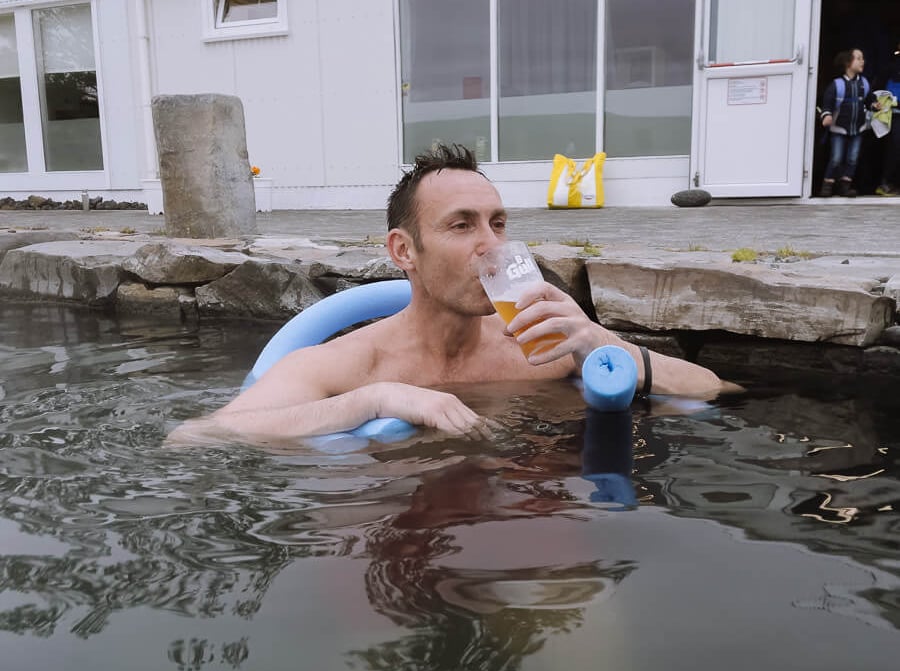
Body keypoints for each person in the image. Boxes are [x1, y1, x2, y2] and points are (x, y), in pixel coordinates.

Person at [172, 144, 729, 445]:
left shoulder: (540, 346)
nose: (491, 245)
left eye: (498, 224)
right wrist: (376, 399)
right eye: (462, 226)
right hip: (397, 528)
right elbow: (200, 435)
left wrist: (601, 343)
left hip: (530, 519)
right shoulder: (351, 365)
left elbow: (714, 389)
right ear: (404, 251)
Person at [819, 49, 880, 197]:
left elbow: (869, 99)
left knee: (853, 158)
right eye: (858, 58)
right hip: (838, 128)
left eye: (863, 58)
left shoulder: (864, 84)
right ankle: (828, 185)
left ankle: (845, 186)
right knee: (836, 157)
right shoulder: (837, 85)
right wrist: (826, 115)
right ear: (847, 63)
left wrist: (874, 105)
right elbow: (827, 103)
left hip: (858, 128)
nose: (862, 61)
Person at [875, 42, 900, 197]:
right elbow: (880, 91)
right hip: (893, 115)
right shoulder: (891, 68)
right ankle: (886, 183)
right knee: (894, 148)